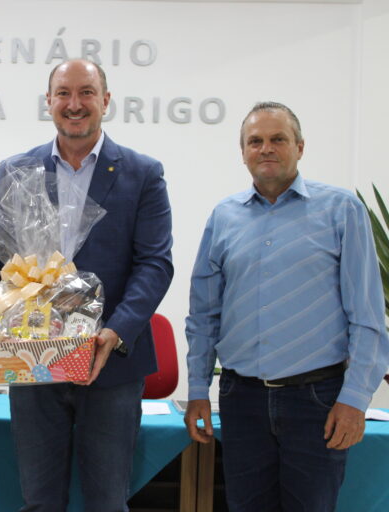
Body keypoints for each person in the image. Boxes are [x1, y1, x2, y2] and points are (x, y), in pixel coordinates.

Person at [0, 59, 174, 512]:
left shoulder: (143, 173)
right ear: (49, 101)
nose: (74, 104)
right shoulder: (17, 170)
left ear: (106, 100)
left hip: (110, 365)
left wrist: (115, 332)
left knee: (107, 502)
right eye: (63, 93)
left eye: (86, 92)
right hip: (30, 358)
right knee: (39, 501)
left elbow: (154, 264)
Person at [184, 101, 389, 511]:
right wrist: (196, 390)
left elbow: (367, 317)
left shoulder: (341, 210)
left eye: (278, 139)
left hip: (317, 401)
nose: (266, 148)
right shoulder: (224, 217)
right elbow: (204, 315)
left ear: (300, 146)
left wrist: (355, 399)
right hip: (241, 399)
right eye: (255, 141)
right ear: (243, 152)